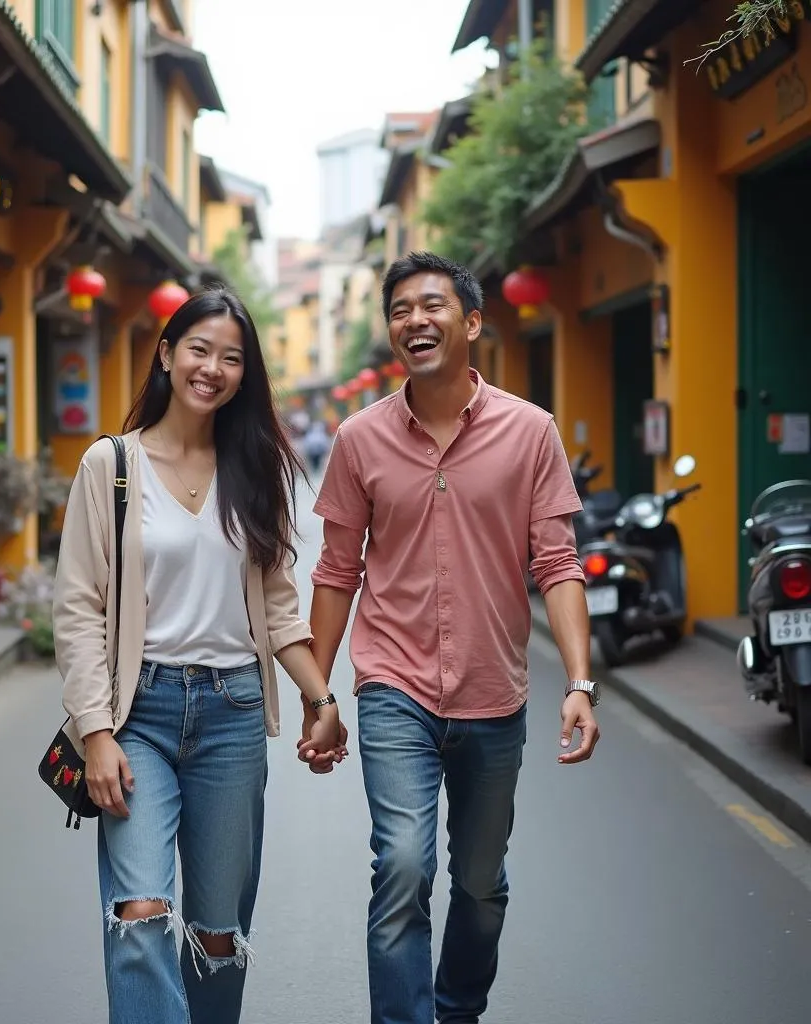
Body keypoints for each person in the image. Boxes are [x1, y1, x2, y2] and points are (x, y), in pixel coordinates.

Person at [299, 251, 600, 1024]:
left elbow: (558, 562)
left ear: (471, 322)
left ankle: (457, 1009)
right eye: (400, 309)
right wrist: (319, 693)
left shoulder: (530, 432)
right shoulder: (359, 440)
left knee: (479, 882)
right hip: (394, 686)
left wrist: (579, 682)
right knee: (400, 866)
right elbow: (337, 571)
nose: (414, 321)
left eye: (432, 306)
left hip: (493, 692)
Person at [53, 288, 347, 1024]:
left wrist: (321, 699)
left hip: (233, 714)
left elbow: (279, 605)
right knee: (140, 913)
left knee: (215, 937)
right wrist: (94, 734)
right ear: (166, 354)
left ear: (245, 375)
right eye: (198, 349)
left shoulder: (255, 469)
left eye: (231, 357)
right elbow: (78, 608)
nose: (211, 367)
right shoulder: (110, 466)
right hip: (137, 716)